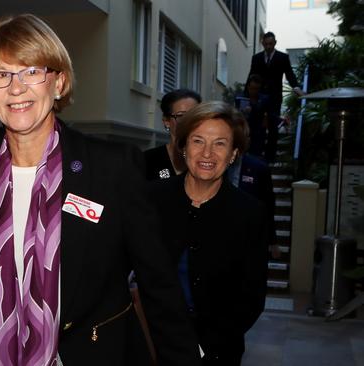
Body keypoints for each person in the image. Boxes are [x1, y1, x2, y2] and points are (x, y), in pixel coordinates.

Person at [0, 14, 201, 366]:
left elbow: (158, 283)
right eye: (2, 75)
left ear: (58, 83)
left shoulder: (112, 167)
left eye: (32, 71)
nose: (16, 88)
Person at [147, 101, 269, 365]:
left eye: (220, 144)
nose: (207, 153)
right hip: (151, 346)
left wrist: (204, 347)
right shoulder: (151, 200)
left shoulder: (249, 213)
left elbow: (251, 297)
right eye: (198, 141)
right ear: (183, 146)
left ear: (234, 154)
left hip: (216, 352)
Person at [247, 32, 303, 162]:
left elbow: (289, 73)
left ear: (275, 43)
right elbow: (251, 76)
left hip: (274, 97)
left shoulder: (282, 57)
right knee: (257, 125)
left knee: (273, 127)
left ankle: (270, 157)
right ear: (263, 44)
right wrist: (247, 96)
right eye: (266, 44)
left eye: (270, 44)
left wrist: (296, 87)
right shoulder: (256, 58)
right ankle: (257, 154)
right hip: (259, 97)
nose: (268, 46)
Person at [144, 89, 201, 180]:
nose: (189, 121)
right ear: (167, 121)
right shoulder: (147, 161)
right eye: (181, 116)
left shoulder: (206, 161)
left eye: (195, 115)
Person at [235, 74, 269, 159]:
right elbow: (236, 113)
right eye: (252, 88)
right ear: (248, 86)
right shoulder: (241, 97)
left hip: (258, 132)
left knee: (256, 155)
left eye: (257, 89)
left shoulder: (264, 99)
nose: (254, 91)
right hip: (244, 130)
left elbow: (265, 113)